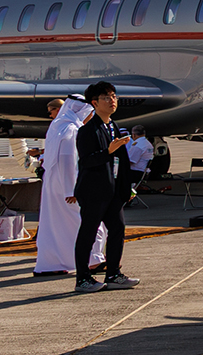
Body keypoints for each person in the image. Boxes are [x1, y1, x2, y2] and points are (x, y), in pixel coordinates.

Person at [73, 81, 139, 293]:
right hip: (93, 191)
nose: (112, 101)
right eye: (106, 97)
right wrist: (108, 151)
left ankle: (113, 274)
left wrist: (127, 187)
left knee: (118, 230)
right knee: (88, 233)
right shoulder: (87, 131)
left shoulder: (114, 127)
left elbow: (123, 161)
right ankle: (83, 278)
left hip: (113, 191)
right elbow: (86, 161)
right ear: (94, 103)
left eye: (114, 96)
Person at [34, 96, 106, 276]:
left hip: (53, 184)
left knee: (54, 225)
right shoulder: (72, 129)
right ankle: (93, 260)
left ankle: (51, 263)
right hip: (66, 185)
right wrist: (71, 189)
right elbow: (67, 160)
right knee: (90, 221)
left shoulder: (56, 127)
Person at [28, 98, 64, 180]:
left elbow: (58, 146)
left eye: (50, 112)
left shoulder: (62, 126)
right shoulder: (59, 124)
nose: (50, 115)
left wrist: (39, 152)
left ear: (58, 110)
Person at [120, 125, 154, 204]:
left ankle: (125, 198)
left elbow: (130, 161)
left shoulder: (138, 145)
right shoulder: (147, 143)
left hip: (135, 172)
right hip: (143, 172)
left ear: (134, 135)